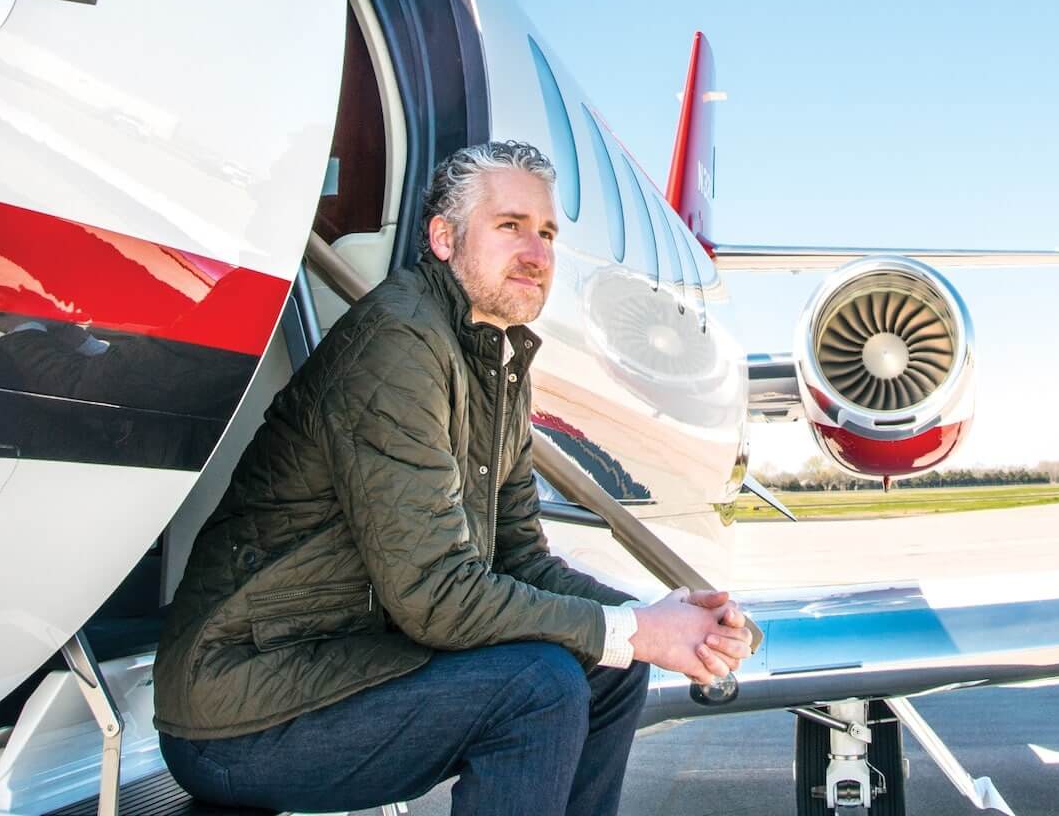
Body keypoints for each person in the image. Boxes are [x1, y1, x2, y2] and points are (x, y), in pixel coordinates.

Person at [153, 141, 751, 816]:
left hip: (340, 666)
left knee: (608, 670)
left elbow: (519, 557)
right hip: (242, 709)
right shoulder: (401, 343)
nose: (537, 252)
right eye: (509, 226)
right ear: (443, 238)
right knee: (540, 684)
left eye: (547, 233)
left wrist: (652, 623)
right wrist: (635, 630)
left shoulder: (490, 357)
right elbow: (432, 596)